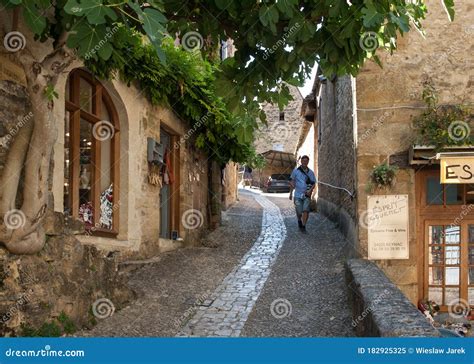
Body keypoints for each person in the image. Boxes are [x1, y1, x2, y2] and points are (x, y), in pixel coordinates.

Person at [289, 155, 316, 233]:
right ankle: (299, 220)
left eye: (306, 161)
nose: (305, 162)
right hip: (297, 195)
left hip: (307, 195)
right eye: (303, 161)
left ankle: (303, 226)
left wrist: (310, 190)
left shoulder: (310, 172)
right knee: (299, 211)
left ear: (308, 162)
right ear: (301, 161)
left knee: (306, 210)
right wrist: (290, 193)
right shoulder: (296, 171)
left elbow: (313, 183)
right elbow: (291, 181)